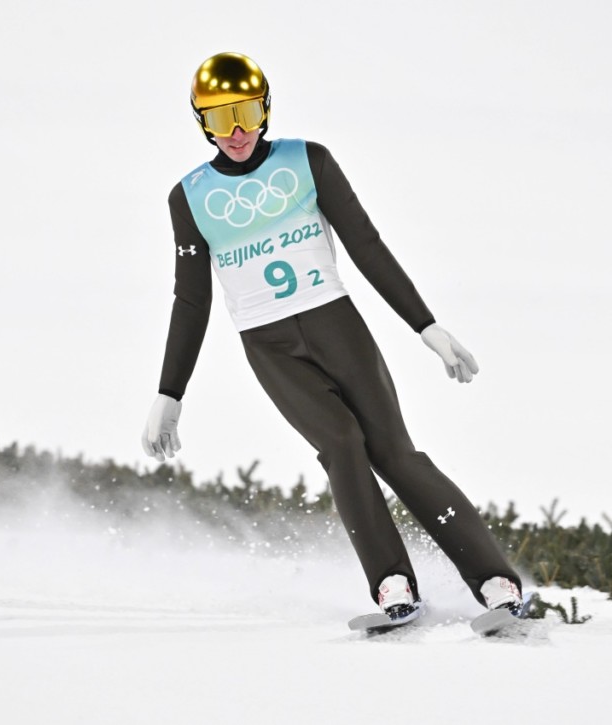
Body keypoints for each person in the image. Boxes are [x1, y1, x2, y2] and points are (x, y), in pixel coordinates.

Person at [140, 51, 523, 618]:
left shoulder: (307, 161)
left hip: (335, 323)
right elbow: (192, 299)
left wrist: (426, 325)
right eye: (222, 119)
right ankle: (393, 584)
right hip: (269, 346)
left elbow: (366, 245)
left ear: (265, 107)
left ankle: (496, 583)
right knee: (341, 445)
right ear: (202, 122)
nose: (238, 131)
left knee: (395, 453)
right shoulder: (189, 197)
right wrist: (170, 391)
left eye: (246, 112)